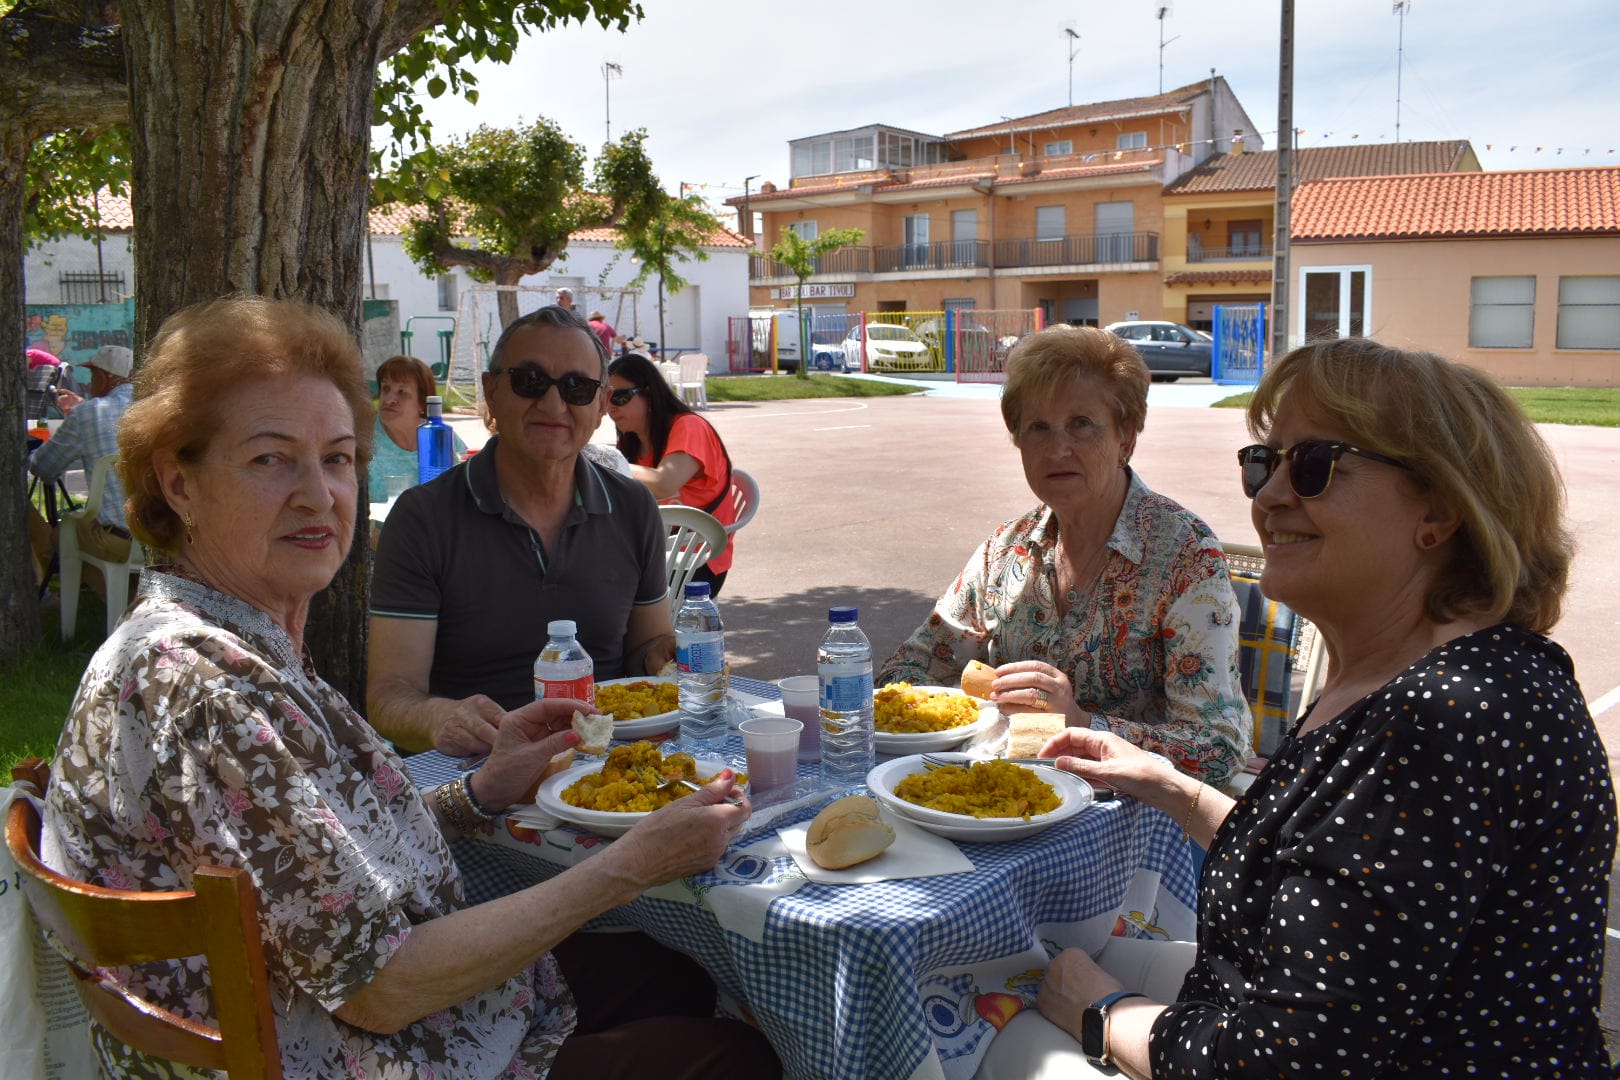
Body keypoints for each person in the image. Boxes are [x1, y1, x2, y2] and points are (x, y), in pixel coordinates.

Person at [40, 294, 778, 1080]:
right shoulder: (208, 690)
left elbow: (318, 860)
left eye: (335, 458)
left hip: (388, 1015)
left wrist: (480, 793)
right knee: (735, 1053)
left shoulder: (225, 643)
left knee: (692, 977)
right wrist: (628, 864)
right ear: (177, 483)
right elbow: (380, 989)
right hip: (373, 1050)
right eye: (269, 458)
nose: (318, 494)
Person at [979, 338, 1617, 1078]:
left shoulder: (1448, 718)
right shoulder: (1394, 670)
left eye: (1315, 467)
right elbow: (1326, 870)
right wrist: (1175, 788)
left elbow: (1282, 1063)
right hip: (1267, 999)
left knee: (994, 1028)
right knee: (1001, 970)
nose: (1269, 495)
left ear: (1438, 510)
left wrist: (1103, 1014)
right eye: (1265, 461)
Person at [877, 325, 1250, 786]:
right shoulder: (1005, 549)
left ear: (1126, 439)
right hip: (1000, 794)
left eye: (1081, 424)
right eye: (1038, 427)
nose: (1057, 449)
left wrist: (1078, 722)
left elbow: (1218, 748)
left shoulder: (1185, 557)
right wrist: (959, 707)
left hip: (1129, 816)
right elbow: (907, 671)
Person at [370, 306, 676, 755]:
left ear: (599, 406)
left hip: (606, 765)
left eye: (577, 387)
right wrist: (441, 719)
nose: (553, 405)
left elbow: (647, 648)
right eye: (528, 381)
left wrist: (665, 658)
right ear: (491, 393)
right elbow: (388, 696)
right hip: (475, 770)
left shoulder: (632, 508)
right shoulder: (424, 518)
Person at [606, 351, 738, 595]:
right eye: (606, 398)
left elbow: (664, 483)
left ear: (649, 393)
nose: (611, 407)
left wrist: (607, 460)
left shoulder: (688, 427)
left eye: (621, 397)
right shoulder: (633, 442)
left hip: (694, 559)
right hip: (654, 552)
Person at [27, 345, 137, 593]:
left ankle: (113, 602)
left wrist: (78, 415)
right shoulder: (152, 407)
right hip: (162, 536)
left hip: (117, 539)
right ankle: (126, 598)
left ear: (106, 377)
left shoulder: (88, 413)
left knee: (61, 534)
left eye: (92, 376)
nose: (88, 384)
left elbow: (43, 468)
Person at [367, 353, 468, 497]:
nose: (389, 400)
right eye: (386, 388)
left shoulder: (439, 435)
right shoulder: (364, 438)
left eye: (402, 392)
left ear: (422, 403)